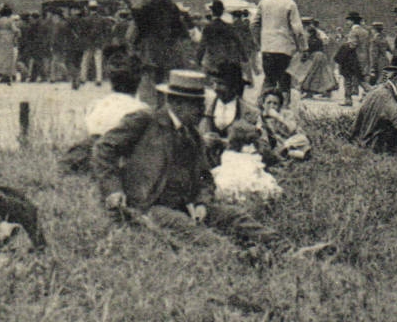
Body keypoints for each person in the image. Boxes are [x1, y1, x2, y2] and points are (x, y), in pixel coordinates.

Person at [92, 69, 291, 259]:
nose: (202, 110)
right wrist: (113, 190)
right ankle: (239, 258)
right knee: (192, 231)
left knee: (234, 216)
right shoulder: (145, 121)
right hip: (148, 205)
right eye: (197, 104)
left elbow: (205, 177)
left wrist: (201, 203)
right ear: (176, 103)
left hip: (186, 205)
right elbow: (104, 148)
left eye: (202, 103)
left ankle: (285, 250)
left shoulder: (193, 135)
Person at [128, 0, 191, 106]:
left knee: (149, 84)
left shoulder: (145, 1)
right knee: (164, 82)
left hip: (149, 49)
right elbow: (179, 27)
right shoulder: (169, 2)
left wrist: (134, 43)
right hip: (168, 49)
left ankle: (151, 109)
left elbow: (137, 29)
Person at [252, 0, 306, 106]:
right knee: (284, 79)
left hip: (267, 48)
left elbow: (254, 24)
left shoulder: (264, 1)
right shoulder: (290, 3)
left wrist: (259, 42)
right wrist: (303, 47)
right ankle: (284, 107)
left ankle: (262, 106)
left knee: (269, 79)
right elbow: (298, 29)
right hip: (284, 48)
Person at [336, 12, 370, 106]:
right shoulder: (365, 31)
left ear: (352, 21)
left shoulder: (353, 32)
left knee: (347, 78)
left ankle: (348, 99)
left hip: (353, 58)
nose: (347, 22)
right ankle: (371, 93)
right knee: (361, 79)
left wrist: (342, 50)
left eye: (348, 20)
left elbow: (352, 45)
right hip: (364, 58)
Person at [298, 18, 337, 99]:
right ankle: (325, 91)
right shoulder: (317, 37)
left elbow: (308, 48)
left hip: (315, 57)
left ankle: (309, 92)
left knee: (311, 75)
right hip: (321, 57)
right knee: (323, 75)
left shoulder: (311, 39)